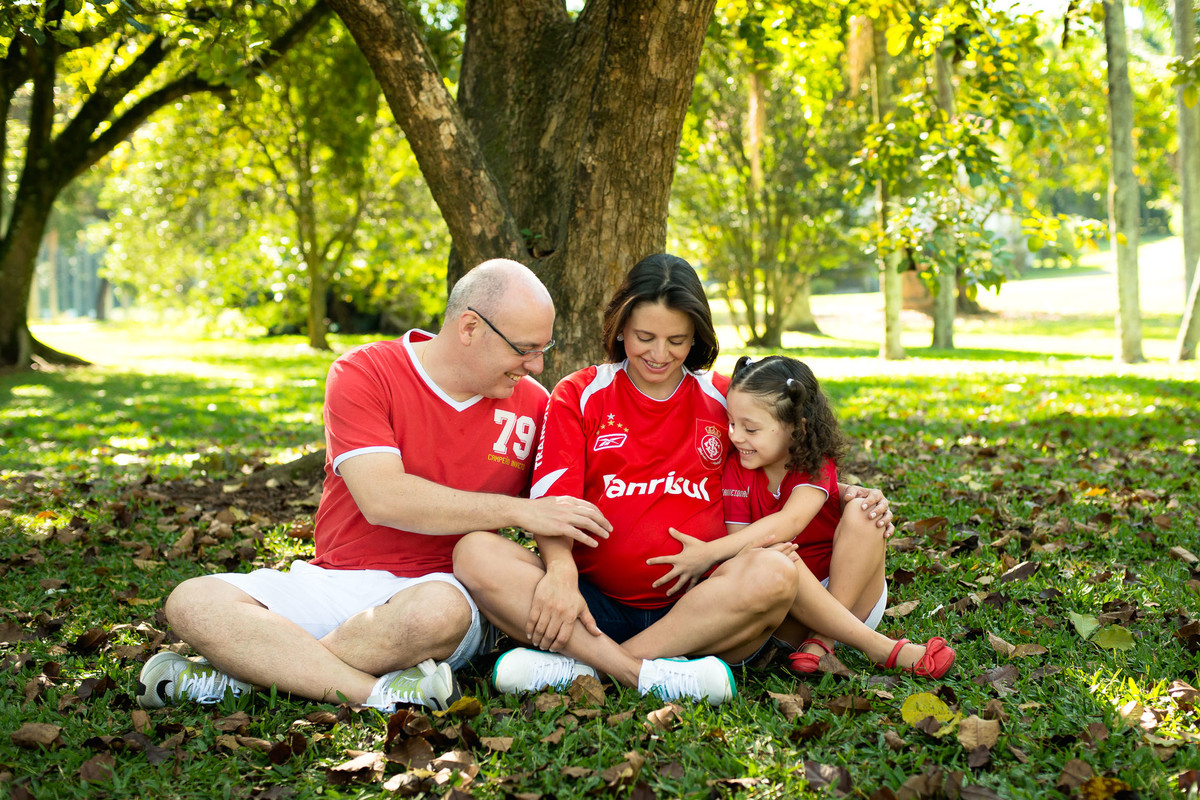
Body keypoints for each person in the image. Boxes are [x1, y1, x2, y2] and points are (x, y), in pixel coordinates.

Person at [136, 259, 611, 712]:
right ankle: (377, 693)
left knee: (435, 614)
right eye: (524, 349)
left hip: (443, 589)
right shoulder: (365, 371)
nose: (536, 366)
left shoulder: (535, 406)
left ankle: (245, 675)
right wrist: (518, 511)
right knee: (193, 602)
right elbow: (383, 499)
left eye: (543, 350)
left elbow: (561, 509)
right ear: (470, 327)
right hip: (336, 581)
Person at [453, 254, 895, 704]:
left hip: (706, 609)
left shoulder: (724, 396)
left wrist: (844, 492)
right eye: (644, 337)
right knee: (475, 552)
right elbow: (552, 503)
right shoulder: (579, 394)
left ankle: (588, 666)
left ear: (696, 337)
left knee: (776, 572)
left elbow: (784, 454)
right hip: (590, 603)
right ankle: (641, 673)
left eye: (677, 340)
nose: (659, 354)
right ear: (620, 328)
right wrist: (561, 572)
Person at [696, 355, 954, 677]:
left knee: (864, 511)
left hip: (852, 595)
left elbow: (789, 522)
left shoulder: (814, 463)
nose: (735, 436)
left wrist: (706, 553)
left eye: (750, 428)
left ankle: (824, 638)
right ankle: (871, 647)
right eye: (732, 423)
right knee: (773, 554)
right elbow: (742, 546)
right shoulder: (737, 469)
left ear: (797, 429)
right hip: (790, 607)